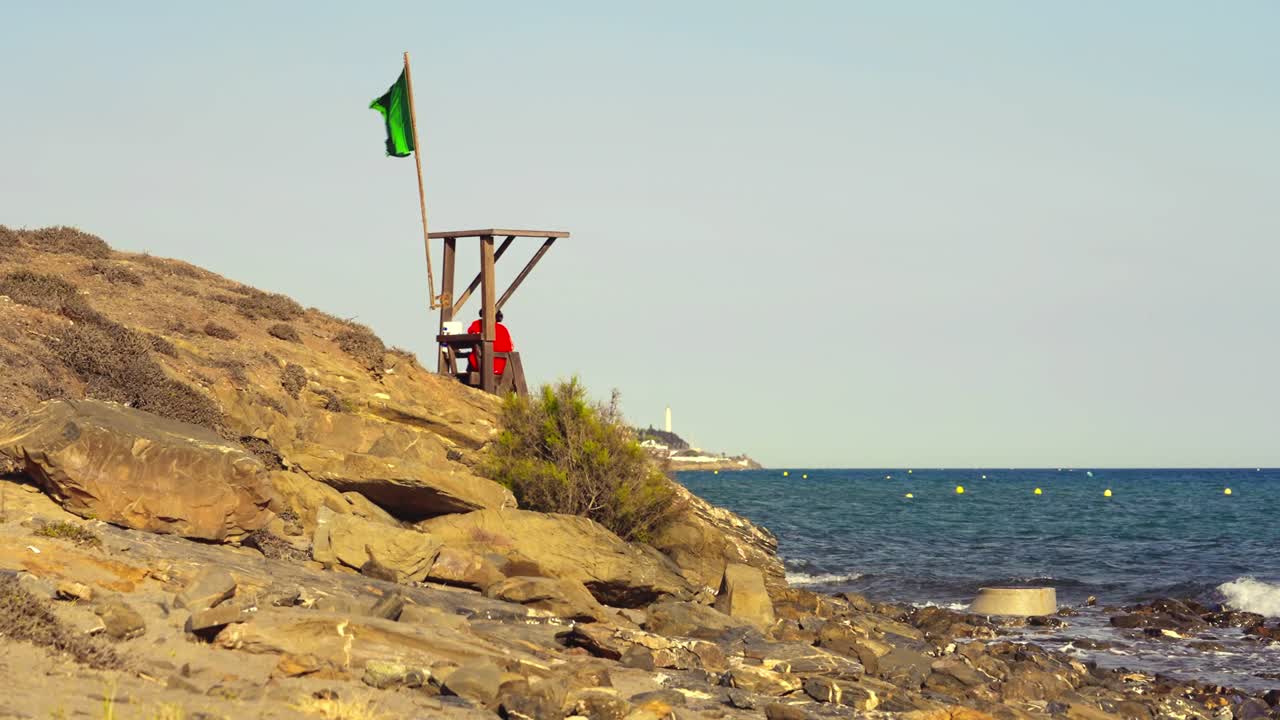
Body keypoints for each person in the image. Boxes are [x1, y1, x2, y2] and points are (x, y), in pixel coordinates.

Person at [466, 308, 512, 375]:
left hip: (480, 363)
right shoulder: (503, 329)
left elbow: (470, 335)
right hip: (500, 365)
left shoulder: (477, 324)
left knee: (473, 355)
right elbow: (509, 347)